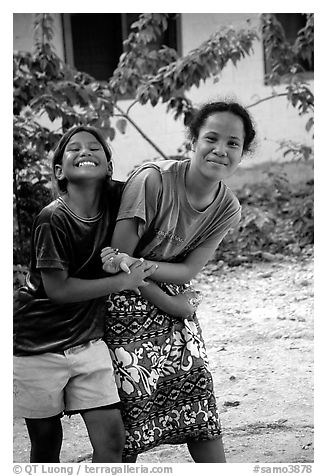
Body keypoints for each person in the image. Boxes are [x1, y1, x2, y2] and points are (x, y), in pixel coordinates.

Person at [101, 100, 256, 463]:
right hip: (120, 300)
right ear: (193, 142)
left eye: (233, 144)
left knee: (200, 401)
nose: (221, 150)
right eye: (211, 139)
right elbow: (116, 259)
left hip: (163, 291)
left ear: (242, 152)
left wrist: (168, 294)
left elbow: (187, 272)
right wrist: (173, 303)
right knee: (130, 416)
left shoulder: (227, 206)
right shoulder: (152, 179)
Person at [13, 125, 157, 463]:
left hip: (88, 340)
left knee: (112, 440)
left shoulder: (119, 201)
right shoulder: (52, 218)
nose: (84, 151)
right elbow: (58, 289)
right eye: (73, 148)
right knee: (46, 442)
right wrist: (121, 282)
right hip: (36, 344)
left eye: (95, 147)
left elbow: (157, 185)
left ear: (108, 166)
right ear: (60, 171)